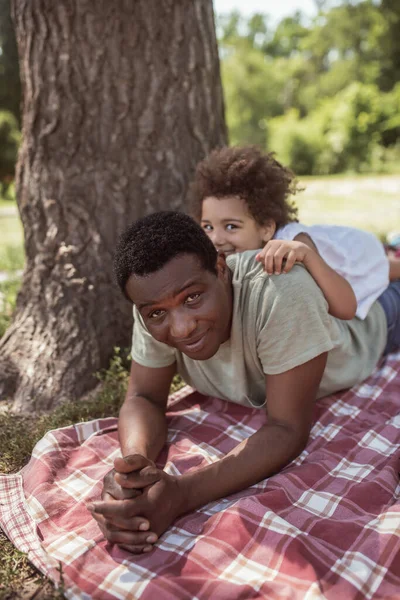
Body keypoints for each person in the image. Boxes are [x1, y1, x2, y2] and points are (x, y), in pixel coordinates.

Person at [87, 210, 400, 554]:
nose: (181, 328)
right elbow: (144, 396)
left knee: (391, 289)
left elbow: (286, 428)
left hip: (373, 327)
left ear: (221, 268)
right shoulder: (152, 296)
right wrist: (135, 471)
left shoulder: (281, 291)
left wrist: (181, 493)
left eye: (192, 298)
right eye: (157, 314)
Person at [190, 145, 400, 321]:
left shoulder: (293, 244)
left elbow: (346, 308)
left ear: (266, 228)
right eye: (208, 227)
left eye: (231, 226)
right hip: (339, 254)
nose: (216, 239)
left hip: (356, 257)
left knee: (386, 269)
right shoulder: (221, 259)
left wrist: (307, 254)